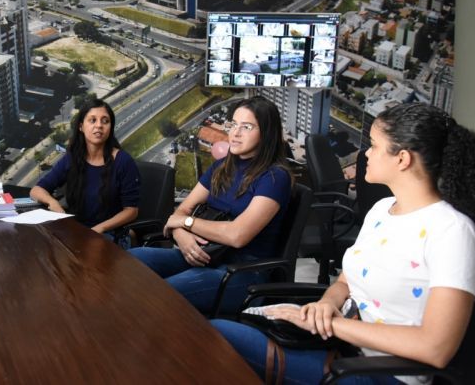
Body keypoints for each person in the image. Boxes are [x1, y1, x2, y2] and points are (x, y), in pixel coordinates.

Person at [213, 102, 475, 384]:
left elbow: (435, 348)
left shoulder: (452, 230)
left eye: (374, 146)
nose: (366, 153)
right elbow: (345, 282)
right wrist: (326, 304)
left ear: (402, 159)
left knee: (218, 338)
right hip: (341, 349)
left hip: (382, 374)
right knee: (217, 332)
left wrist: (333, 325)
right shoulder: (382, 210)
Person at [129, 96, 292, 314]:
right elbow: (182, 210)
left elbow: (237, 235)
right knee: (129, 261)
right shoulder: (221, 167)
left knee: (159, 294)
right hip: (206, 254)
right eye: (233, 124)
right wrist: (182, 236)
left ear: (266, 132)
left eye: (247, 127)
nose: (235, 133)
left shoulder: (274, 177)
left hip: (241, 271)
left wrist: (185, 223)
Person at [30, 98, 139, 247]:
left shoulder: (123, 162)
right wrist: (53, 203)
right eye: (92, 120)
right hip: (76, 231)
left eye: (105, 121)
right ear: (81, 126)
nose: (99, 125)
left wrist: (100, 228)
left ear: (110, 127)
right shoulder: (73, 158)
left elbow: (131, 211)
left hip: (109, 235)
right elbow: (37, 190)